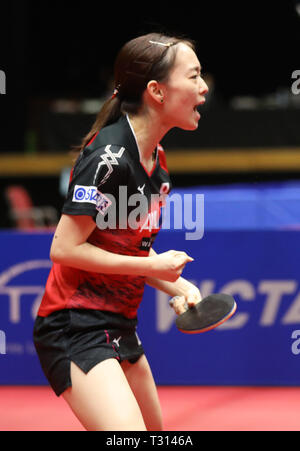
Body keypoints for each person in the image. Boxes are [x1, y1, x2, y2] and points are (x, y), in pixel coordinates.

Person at [33, 32, 209, 431]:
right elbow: (64, 248)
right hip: (73, 325)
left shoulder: (156, 163)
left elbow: (127, 248)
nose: (204, 87)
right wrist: (157, 266)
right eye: (194, 76)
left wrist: (177, 285)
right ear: (156, 91)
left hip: (119, 326)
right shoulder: (108, 160)